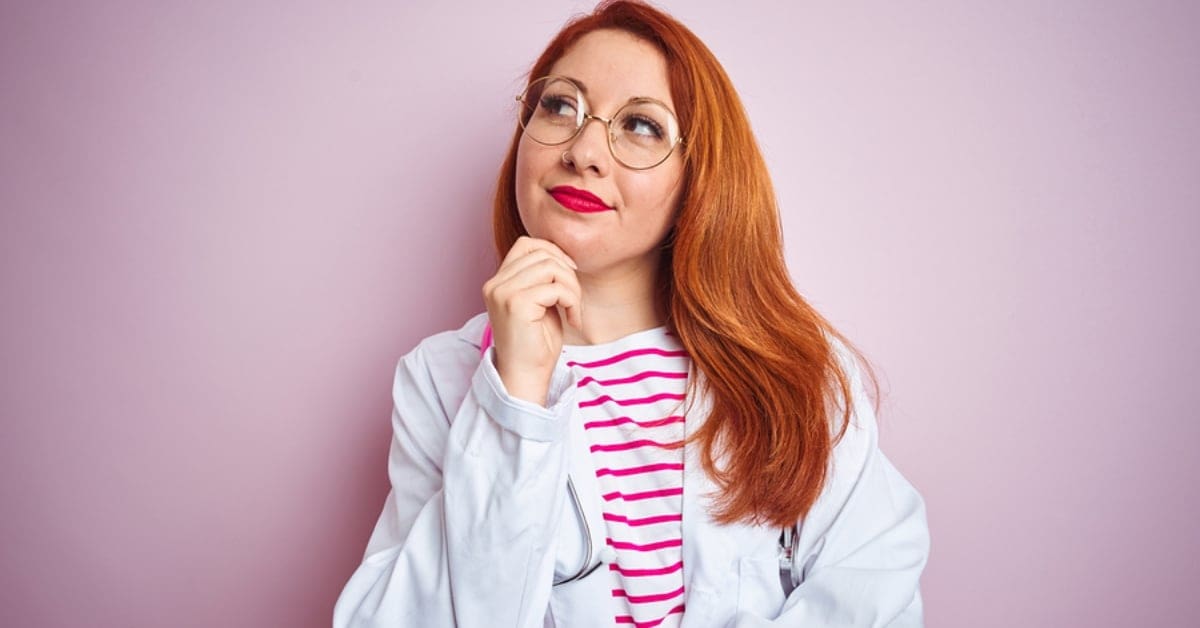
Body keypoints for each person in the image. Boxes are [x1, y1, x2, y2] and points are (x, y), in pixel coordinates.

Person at [333, 1, 929, 626]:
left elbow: (871, 591)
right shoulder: (439, 380)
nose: (584, 150)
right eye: (559, 105)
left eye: (641, 125)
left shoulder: (797, 370)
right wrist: (515, 401)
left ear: (699, 177)